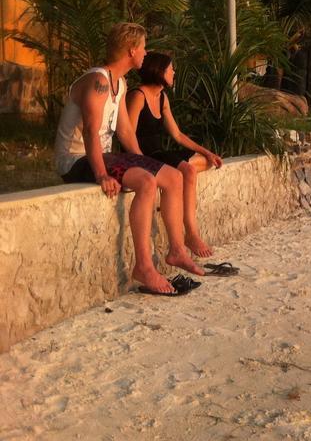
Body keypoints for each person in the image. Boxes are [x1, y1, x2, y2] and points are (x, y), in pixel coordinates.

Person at [54, 23, 203, 295]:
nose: (146, 53)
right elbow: (90, 130)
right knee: (146, 182)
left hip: (103, 155)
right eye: (143, 47)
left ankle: (177, 250)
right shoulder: (98, 81)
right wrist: (101, 174)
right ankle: (143, 266)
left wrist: (148, 163)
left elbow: (124, 130)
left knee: (171, 176)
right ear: (131, 50)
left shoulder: (119, 84)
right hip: (76, 160)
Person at [126, 52, 224, 259]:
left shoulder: (161, 96)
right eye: (171, 69)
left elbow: (177, 134)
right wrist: (139, 162)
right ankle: (191, 233)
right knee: (188, 170)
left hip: (161, 152)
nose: (174, 72)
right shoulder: (138, 96)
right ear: (159, 71)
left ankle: (179, 210)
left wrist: (207, 151)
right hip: (145, 155)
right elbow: (127, 134)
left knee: (205, 161)